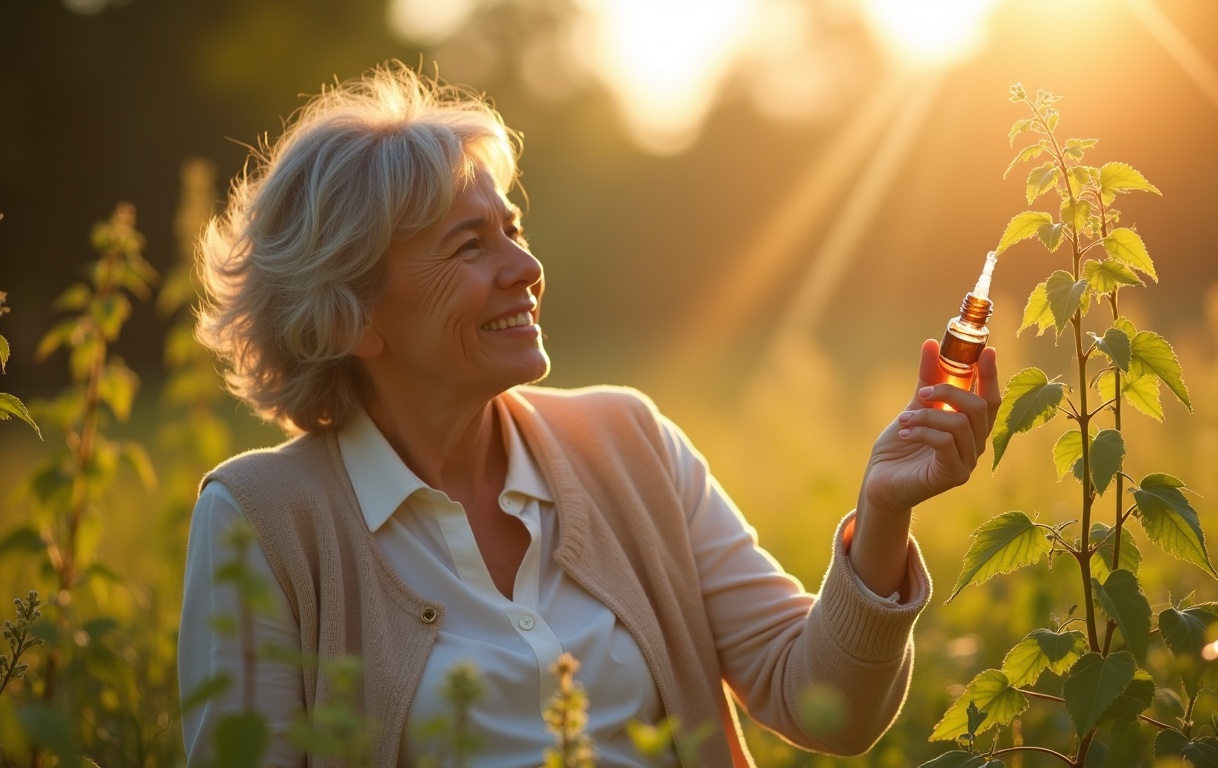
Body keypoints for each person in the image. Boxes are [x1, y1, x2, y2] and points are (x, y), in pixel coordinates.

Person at [178, 61, 1000, 767]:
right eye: (471, 246)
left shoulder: (629, 444)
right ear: (349, 316)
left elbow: (827, 704)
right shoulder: (261, 521)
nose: (527, 267)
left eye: (514, 229)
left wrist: (884, 509)